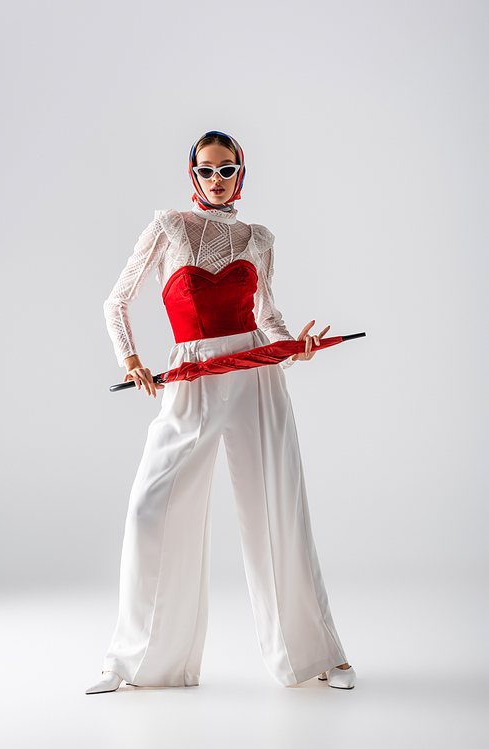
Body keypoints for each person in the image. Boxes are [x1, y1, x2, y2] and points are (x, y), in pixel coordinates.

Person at [85, 130, 356, 694]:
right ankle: (133, 661)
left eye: (227, 169)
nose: (216, 180)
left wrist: (295, 346)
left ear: (241, 173)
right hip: (192, 379)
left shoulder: (259, 238)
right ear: (192, 173)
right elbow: (117, 300)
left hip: (256, 377)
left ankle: (318, 655)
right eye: (206, 170)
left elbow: (268, 314)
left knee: (278, 507)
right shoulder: (169, 228)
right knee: (150, 508)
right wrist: (131, 358)